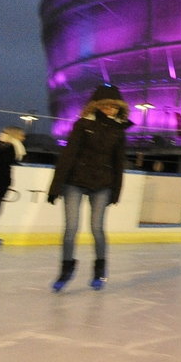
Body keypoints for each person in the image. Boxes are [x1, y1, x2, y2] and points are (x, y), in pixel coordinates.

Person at [47, 84, 133, 292]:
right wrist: (56, 185)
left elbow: (118, 162)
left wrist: (116, 189)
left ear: (119, 109)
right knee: (71, 229)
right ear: (96, 106)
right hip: (75, 181)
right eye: (105, 106)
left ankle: (99, 269)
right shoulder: (83, 124)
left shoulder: (119, 130)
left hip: (102, 183)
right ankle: (66, 269)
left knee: (97, 228)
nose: (109, 110)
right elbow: (68, 156)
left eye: (113, 107)